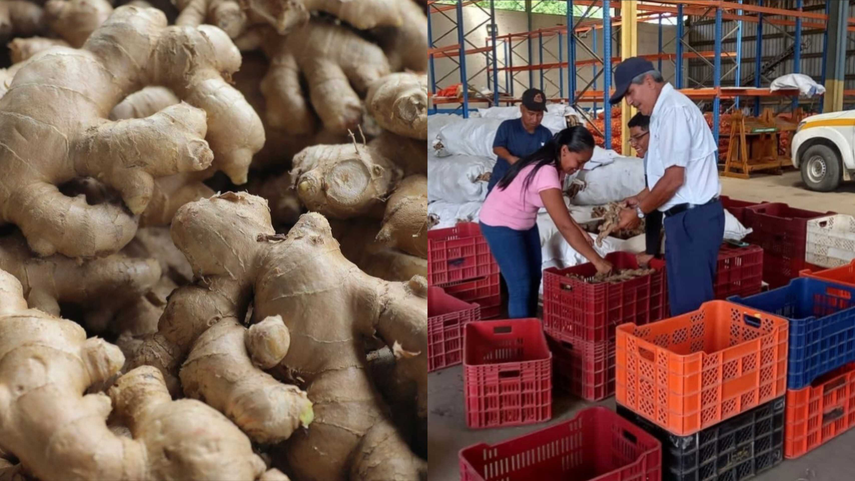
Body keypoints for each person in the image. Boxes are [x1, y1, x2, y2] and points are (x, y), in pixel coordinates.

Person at [610, 57, 724, 316]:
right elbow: (665, 178)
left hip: (693, 219)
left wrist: (639, 213)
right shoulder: (663, 113)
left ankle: (696, 355)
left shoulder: (673, 111)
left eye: (630, 92)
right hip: (684, 219)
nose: (630, 101)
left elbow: (673, 179)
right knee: (684, 300)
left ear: (649, 81)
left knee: (691, 307)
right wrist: (639, 199)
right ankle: (690, 353)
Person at [479, 126, 614, 318]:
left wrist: (578, 228)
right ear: (565, 150)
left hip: (524, 223)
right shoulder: (546, 171)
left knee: (534, 278)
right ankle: (521, 341)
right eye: (580, 161)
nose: (581, 167)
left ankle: (530, 326)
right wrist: (597, 261)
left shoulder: (554, 165)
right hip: (500, 224)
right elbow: (563, 226)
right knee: (520, 285)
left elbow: (559, 210)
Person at [487, 88, 554, 194]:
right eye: (531, 114)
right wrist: (509, 158)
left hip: (527, 187)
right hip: (502, 182)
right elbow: (497, 147)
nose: (535, 119)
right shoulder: (508, 127)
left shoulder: (546, 134)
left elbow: (549, 159)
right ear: (522, 109)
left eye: (539, 114)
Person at [627, 113, 663, 267]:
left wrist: (650, 251)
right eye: (631, 139)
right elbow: (653, 188)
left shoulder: (662, 154)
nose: (634, 143)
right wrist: (638, 198)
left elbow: (657, 198)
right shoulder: (649, 156)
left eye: (638, 137)